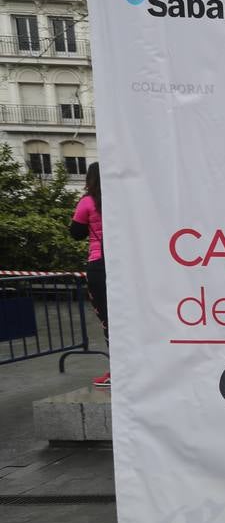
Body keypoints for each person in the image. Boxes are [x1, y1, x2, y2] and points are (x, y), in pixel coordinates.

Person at [68, 163, 108, 387]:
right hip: (125, 262)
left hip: (99, 264)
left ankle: (117, 371)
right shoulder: (122, 200)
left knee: (108, 319)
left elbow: (76, 232)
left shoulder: (87, 202)